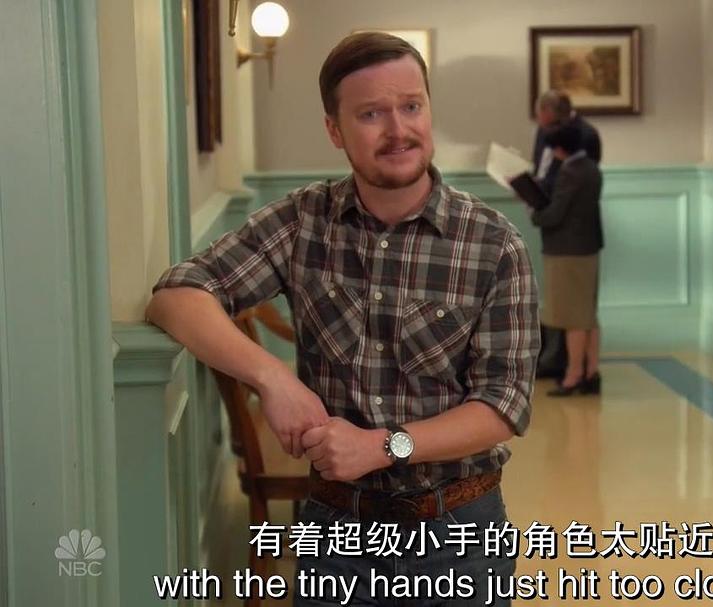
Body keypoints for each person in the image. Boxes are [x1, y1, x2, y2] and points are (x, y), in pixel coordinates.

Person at [145, 32, 539, 606]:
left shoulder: (494, 243)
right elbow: (175, 295)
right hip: (335, 533)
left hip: (459, 533)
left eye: (411, 106)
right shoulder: (303, 221)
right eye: (371, 114)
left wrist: (384, 447)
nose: (398, 130)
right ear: (335, 130)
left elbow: (504, 406)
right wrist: (272, 379)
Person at [529, 123, 603, 397]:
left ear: (561, 148)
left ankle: (573, 375)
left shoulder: (570, 171)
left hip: (567, 250)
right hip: (588, 247)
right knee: (588, 316)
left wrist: (534, 212)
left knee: (572, 317)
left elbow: (555, 213)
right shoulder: (591, 167)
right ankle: (591, 371)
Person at [532, 90, 601, 195]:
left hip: (568, 201)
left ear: (548, 113)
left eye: (539, 116)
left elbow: (585, 179)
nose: (539, 122)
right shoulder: (543, 129)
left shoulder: (587, 135)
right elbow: (539, 166)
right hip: (539, 200)